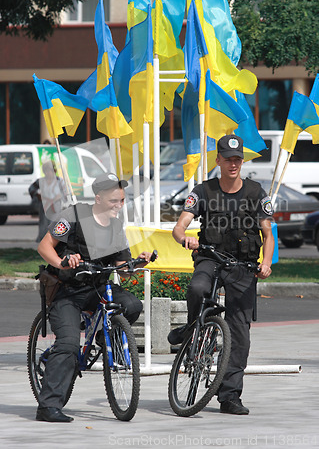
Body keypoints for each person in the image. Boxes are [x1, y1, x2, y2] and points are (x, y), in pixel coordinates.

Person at [168, 134, 274, 415]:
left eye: (237, 159)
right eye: (228, 159)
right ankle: (193, 330)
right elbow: (179, 227)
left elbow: (267, 233)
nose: (233, 164)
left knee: (239, 333)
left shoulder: (256, 192)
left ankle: (229, 397)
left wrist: (267, 262)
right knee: (197, 289)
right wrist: (185, 239)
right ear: (218, 160)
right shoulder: (203, 191)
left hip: (243, 266)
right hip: (211, 259)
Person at [36, 171, 154, 423]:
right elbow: (44, 246)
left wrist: (137, 263)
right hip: (67, 292)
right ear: (98, 198)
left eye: (122, 201)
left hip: (98, 290)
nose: (119, 206)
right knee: (68, 344)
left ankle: (104, 335)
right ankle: (48, 406)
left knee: (132, 305)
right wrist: (62, 262)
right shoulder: (73, 216)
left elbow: (122, 266)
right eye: (114, 201)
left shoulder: (115, 225)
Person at [29, 160, 67, 242]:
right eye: (46, 170)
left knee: (55, 227)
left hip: (56, 209)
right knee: (44, 226)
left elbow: (66, 194)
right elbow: (31, 189)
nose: (48, 172)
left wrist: (59, 197)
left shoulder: (59, 181)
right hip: (44, 208)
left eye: (50, 170)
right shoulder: (40, 181)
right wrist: (37, 195)